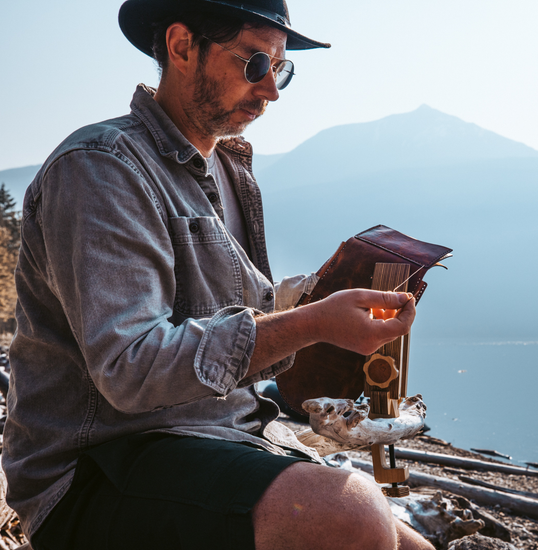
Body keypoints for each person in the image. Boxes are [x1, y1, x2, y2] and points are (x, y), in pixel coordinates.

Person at [3, 1, 433, 548]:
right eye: (256, 64)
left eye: (282, 69)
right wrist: (311, 324)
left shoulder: (228, 169)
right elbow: (131, 367)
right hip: (96, 469)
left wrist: (319, 298)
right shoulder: (100, 167)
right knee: (353, 514)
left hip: (223, 440)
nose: (271, 90)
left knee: (412, 545)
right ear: (182, 47)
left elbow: (221, 310)